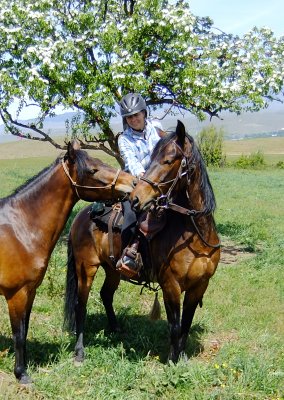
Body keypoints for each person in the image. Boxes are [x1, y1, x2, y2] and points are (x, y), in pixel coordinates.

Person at [116, 92, 166, 279]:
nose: (133, 119)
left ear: (144, 113)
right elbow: (131, 163)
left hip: (162, 180)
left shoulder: (157, 127)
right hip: (139, 182)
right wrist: (144, 176)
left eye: (136, 115)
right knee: (131, 216)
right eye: (129, 117)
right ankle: (130, 253)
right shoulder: (124, 139)